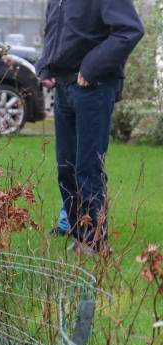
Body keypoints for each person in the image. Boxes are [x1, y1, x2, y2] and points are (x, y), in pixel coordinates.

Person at [36, 0, 144, 255]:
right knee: (66, 169)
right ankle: (80, 234)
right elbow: (55, 31)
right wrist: (46, 66)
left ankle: (94, 242)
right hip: (64, 87)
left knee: (88, 168)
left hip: (93, 88)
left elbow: (129, 30)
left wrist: (92, 66)